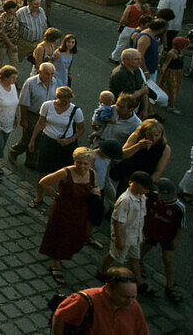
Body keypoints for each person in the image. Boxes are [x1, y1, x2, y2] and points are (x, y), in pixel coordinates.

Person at [39, 147, 101, 285]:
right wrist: (55, 195)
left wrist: (96, 192)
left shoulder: (92, 174)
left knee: (73, 235)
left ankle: (62, 256)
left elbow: (95, 188)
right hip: (64, 210)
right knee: (60, 235)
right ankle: (56, 264)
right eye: (79, 162)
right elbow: (44, 182)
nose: (82, 166)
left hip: (80, 211)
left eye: (86, 164)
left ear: (91, 164)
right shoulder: (66, 173)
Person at [97, 172, 155, 293]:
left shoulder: (142, 197)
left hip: (135, 235)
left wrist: (142, 233)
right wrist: (119, 239)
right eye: (145, 188)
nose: (147, 191)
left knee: (135, 257)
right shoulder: (125, 200)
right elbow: (117, 221)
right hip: (124, 236)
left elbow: (141, 217)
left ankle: (139, 282)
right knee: (114, 255)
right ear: (136, 185)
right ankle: (102, 271)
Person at [29, 87, 85, 206]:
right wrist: (33, 140)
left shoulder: (76, 111)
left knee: (64, 172)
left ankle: (62, 196)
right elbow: (41, 122)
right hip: (48, 140)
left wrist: (70, 140)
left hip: (66, 144)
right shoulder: (47, 106)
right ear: (57, 98)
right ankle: (39, 196)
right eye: (62, 101)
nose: (65, 104)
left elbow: (81, 129)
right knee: (42, 169)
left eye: (67, 101)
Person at [51, 267, 149, 335]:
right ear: (108, 288)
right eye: (125, 297)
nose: (130, 302)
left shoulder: (134, 306)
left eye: (133, 297)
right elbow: (60, 317)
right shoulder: (85, 300)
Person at [140, 177, 185, 302]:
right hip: (153, 230)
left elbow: (181, 225)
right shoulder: (153, 197)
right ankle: (139, 262)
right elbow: (147, 211)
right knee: (145, 247)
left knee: (168, 261)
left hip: (167, 236)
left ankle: (170, 285)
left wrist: (176, 239)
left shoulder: (178, 207)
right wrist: (144, 228)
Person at [9, 63, 61, 168]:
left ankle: (31, 160)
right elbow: (23, 103)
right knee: (28, 138)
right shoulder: (30, 83)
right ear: (40, 72)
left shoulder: (54, 82)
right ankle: (14, 151)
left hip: (46, 115)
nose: (50, 77)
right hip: (32, 114)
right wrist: (23, 119)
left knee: (39, 139)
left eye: (52, 74)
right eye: (47, 74)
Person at [114, 119, 170, 197]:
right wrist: (138, 146)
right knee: (121, 196)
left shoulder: (165, 148)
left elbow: (158, 171)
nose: (153, 138)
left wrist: (146, 184)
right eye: (150, 135)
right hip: (129, 173)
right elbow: (122, 155)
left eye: (156, 135)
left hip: (146, 177)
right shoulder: (135, 137)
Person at [158, 36, 188, 115]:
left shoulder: (180, 51)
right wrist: (162, 69)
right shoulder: (171, 53)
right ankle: (171, 106)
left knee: (175, 88)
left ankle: (166, 101)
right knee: (171, 89)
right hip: (172, 73)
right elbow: (166, 63)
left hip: (178, 73)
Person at [15, 0, 47, 65]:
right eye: (35, 4)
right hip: (24, 43)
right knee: (16, 61)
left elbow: (44, 24)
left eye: (39, 4)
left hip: (37, 42)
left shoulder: (41, 10)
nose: (38, 6)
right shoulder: (21, 12)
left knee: (38, 62)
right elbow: (15, 27)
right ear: (29, 4)